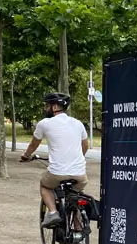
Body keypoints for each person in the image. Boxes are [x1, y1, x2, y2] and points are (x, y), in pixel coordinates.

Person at [20, 92, 88, 227]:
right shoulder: (78, 123)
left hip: (57, 172)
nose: (46, 109)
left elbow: (34, 144)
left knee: (45, 185)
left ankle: (52, 212)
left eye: (47, 106)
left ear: (55, 107)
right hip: (80, 174)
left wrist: (26, 155)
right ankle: (79, 234)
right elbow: (84, 146)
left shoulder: (44, 123)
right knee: (76, 198)